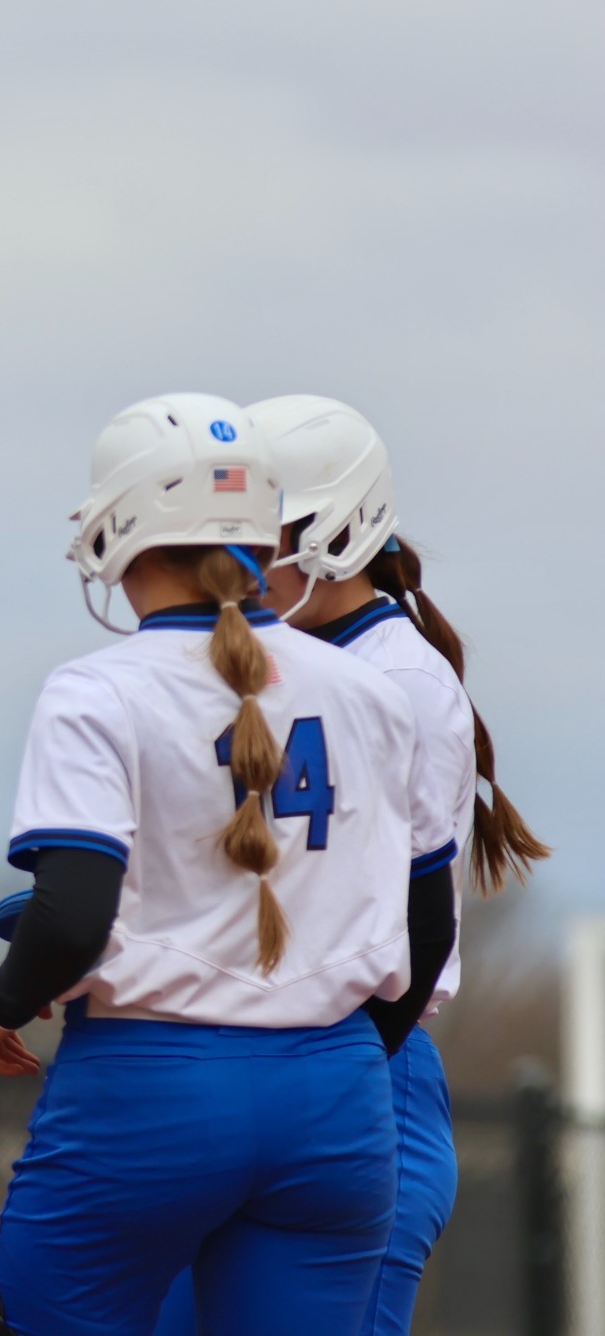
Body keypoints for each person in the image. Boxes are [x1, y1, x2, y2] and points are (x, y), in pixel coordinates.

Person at [0, 393, 461, 1336]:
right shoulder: (373, 690)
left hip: (150, 1083)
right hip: (337, 1096)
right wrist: (345, 1054)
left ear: (120, 528)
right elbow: (429, 926)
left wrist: (3, 1004)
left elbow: (74, 913)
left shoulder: (94, 690)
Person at [148, 396, 550, 1336]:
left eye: (265, 529)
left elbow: (398, 925)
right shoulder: (242, 659)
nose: (238, 553)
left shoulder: (399, 678)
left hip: (365, 1062)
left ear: (338, 527)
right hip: (238, 1070)